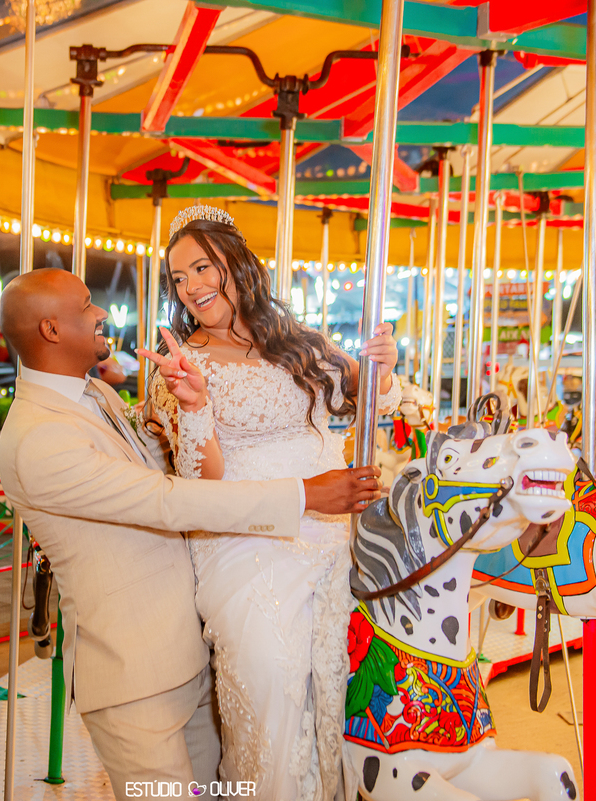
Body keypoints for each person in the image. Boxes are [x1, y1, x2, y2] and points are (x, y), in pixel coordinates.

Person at [0, 268, 381, 801]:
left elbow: (163, 468)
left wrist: (195, 412)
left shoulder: (96, 397)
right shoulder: (37, 441)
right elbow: (165, 501)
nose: (102, 312)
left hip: (187, 649)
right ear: (51, 330)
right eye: (86, 306)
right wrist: (304, 496)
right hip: (135, 680)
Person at [138, 205, 401, 801]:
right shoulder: (185, 363)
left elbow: (365, 393)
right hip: (248, 536)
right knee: (272, 681)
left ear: (236, 263)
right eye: (180, 278)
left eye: (202, 267)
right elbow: (203, 483)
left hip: (334, 528)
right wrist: (196, 403)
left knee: (344, 685)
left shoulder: (296, 341)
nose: (192, 287)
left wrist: (379, 368)